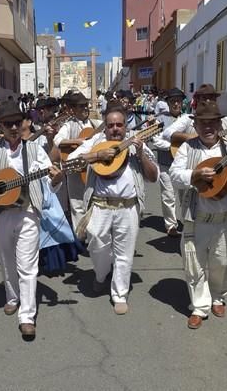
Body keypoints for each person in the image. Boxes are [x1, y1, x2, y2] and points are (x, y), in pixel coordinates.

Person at [0, 102, 64, 338]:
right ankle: (12, 296)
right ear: (1, 127)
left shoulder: (35, 149)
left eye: (18, 122)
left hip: (28, 211)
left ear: (25, 123)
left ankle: (27, 316)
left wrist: (57, 179)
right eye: (9, 124)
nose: (14, 127)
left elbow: (49, 180)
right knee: (6, 259)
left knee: (28, 265)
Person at [169, 101, 227, 330]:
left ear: (219, 123)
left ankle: (218, 297)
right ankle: (199, 306)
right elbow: (174, 175)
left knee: (224, 263)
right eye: (202, 123)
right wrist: (195, 174)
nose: (208, 127)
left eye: (212, 122)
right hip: (197, 217)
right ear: (195, 124)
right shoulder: (188, 148)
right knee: (193, 263)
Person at [69, 105, 158, 314]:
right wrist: (98, 155)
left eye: (119, 125)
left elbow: (153, 176)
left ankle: (120, 294)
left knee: (124, 253)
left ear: (126, 126)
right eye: (111, 125)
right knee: (96, 245)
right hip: (99, 205)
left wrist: (141, 154)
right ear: (105, 128)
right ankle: (101, 273)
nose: (115, 129)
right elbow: (72, 161)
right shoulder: (96, 142)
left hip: (128, 207)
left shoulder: (138, 143)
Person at [18, 111, 81, 274]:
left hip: (40, 184)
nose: (16, 124)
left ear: (29, 122)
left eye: (20, 120)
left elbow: (52, 158)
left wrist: (50, 139)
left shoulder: (39, 137)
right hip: (18, 188)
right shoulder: (11, 142)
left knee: (47, 221)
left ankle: (46, 260)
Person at [54, 91, 102, 232]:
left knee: (94, 199)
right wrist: (77, 141)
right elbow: (58, 140)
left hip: (93, 168)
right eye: (81, 106)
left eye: (86, 105)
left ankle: (93, 232)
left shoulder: (95, 123)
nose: (85, 108)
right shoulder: (69, 125)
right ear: (73, 110)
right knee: (76, 203)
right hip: (75, 169)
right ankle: (80, 234)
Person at [151, 88, 189, 237]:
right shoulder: (160, 120)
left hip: (184, 165)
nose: (176, 104)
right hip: (166, 163)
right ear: (168, 103)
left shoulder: (188, 118)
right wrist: (173, 148)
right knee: (168, 195)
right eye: (173, 101)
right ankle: (171, 225)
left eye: (178, 101)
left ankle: (187, 223)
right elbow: (156, 140)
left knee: (185, 195)